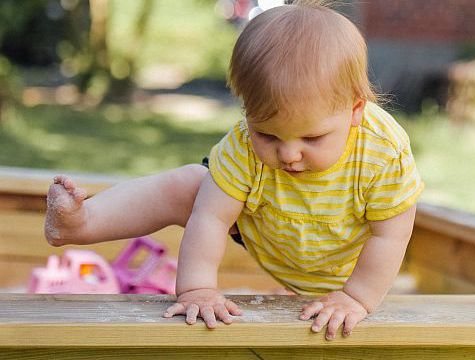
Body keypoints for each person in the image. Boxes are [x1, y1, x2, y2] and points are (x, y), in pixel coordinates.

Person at [42, 0, 423, 341]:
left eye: (312, 137)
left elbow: (391, 234)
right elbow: (209, 217)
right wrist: (197, 289)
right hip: (270, 228)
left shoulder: (382, 152)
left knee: (380, 237)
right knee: (192, 185)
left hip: (348, 261)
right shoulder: (242, 144)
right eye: (268, 134)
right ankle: (82, 221)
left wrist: (356, 297)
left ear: (355, 110)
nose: (289, 154)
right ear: (245, 112)